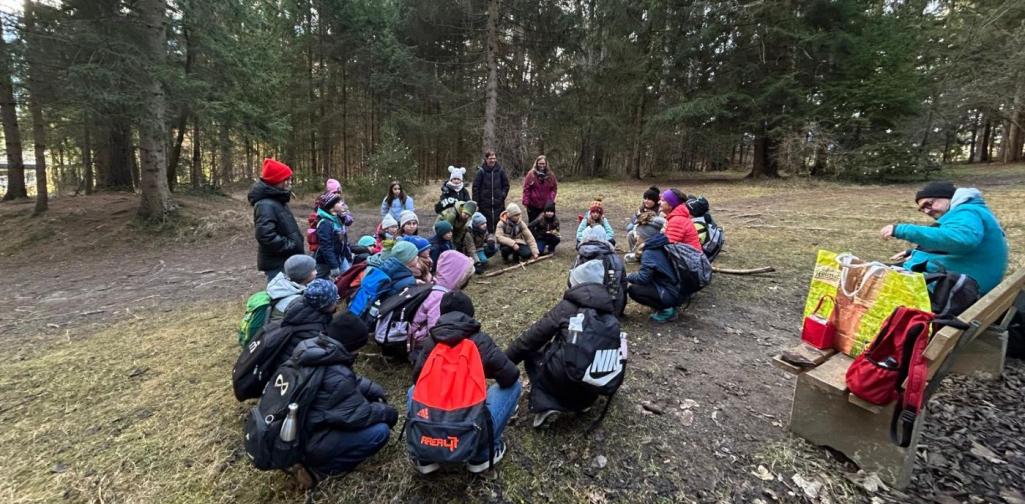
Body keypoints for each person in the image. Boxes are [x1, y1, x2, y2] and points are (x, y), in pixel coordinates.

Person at [408, 291, 521, 474]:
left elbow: (418, 378)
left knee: (414, 389)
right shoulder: (480, 340)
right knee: (514, 386)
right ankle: (481, 455)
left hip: (430, 427)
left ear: (442, 314)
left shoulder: (431, 341)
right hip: (469, 425)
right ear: (470, 313)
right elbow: (510, 376)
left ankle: (425, 456)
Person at [505, 260, 614, 427]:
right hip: (594, 384)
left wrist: (502, 362)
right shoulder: (610, 313)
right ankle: (585, 402)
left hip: (565, 380)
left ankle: (548, 403)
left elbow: (530, 339)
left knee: (535, 350)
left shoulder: (567, 307)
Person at [292, 313, 397, 485]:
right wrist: (389, 413)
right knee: (380, 432)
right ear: (351, 346)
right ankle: (319, 471)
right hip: (311, 441)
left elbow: (344, 381)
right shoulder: (338, 374)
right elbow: (359, 415)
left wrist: (373, 389)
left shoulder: (313, 351)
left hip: (297, 432)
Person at [881, 181, 1008, 294]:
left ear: (947, 197)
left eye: (928, 204)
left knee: (872, 279)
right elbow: (951, 240)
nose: (926, 211)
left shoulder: (966, 212)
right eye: (922, 209)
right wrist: (913, 252)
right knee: (873, 270)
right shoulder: (968, 211)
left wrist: (903, 230)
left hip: (957, 290)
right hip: (959, 282)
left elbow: (961, 240)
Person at [408, 250, 476, 360]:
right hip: (422, 342)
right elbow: (435, 329)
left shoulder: (437, 286)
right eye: (465, 277)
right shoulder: (439, 297)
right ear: (456, 275)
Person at [249, 158, 304, 281]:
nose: (290, 182)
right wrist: (291, 245)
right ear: (277, 181)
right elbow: (265, 236)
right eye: (287, 179)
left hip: (286, 260)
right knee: (280, 295)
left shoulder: (277, 200)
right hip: (277, 263)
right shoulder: (265, 204)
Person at [626, 233, 684, 322]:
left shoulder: (648, 253)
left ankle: (667, 310)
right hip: (679, 290)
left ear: (644, 239)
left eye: (637, 235)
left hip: (670, 292)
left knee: (634, 290)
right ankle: (669, 305)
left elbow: (643, 278)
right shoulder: (664, 246)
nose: (636, 238)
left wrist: (629, 276)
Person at [573, 226, 627, 316]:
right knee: (616, 284)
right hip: (606, 307)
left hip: (581, 303)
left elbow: (570, 282)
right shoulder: (613, 258)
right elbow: (618, 286)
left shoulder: (579, 257)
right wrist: (617, 313)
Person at [266, 254, 317, 322]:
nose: (316, 272)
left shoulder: (286, 284)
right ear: (304, 275)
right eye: (313, 270)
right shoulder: (293, 302)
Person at [314, 192, 353, 279]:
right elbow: (326, 246)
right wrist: (334, 266)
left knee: (347, 279)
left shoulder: (339, 220)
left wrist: (348, 258)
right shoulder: (325, 223)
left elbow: (343, 242)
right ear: (331, 208)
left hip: (340, 258)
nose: (342, 203)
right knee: (319, 281)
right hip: (325, 263)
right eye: (338, 202)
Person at [472, 150, 510, 234]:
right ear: (486, 159)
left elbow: (506, 185)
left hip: (498, 204)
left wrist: (502, 195)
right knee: (485, 224)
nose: (492, 160)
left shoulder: (500, 171)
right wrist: (476, 202)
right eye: (490, 158)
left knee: (499, 225)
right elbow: (475, 188)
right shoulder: (481, 172)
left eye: (494, 158)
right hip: (484, 204)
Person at [522, 155, 558, 223]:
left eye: (543, 164)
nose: (542, 165)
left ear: (546, 164)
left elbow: (554, 188)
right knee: (533, 223)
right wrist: (526, 202)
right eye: (540, 164)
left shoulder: (550, 175)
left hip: (546, 205)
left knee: (546, 224)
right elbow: (526, 189)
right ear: (537, 164)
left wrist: (551, 199)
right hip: (533, 205)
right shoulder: (531, 174)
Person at [626, 186, 662, 251]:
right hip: (640, 229)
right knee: (630, 230)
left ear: (655, 200)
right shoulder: (642, 208)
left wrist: (647, 219)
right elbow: (634, 220)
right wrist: (638, 216)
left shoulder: (659, 210)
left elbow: (660, 224)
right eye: (645, 198)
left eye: (649, 199)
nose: (646, 201)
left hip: (652, 232)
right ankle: (633, 251)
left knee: (632, 231)